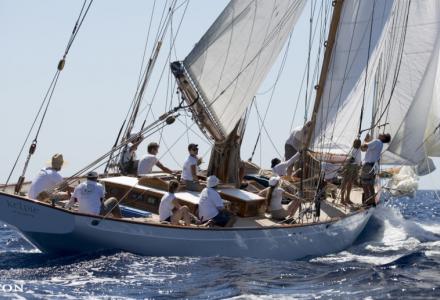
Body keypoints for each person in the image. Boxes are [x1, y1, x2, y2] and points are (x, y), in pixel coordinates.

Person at [360, 133, 391, 206]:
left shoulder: (376, 141)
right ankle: (372, 202)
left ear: (383, 137)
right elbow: (369, 147)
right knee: (370, 185)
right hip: (373, 166)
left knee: (364, 183)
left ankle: (367, 202)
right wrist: (368, 141)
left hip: (368, 166)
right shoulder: (380, 144)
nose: (380, 133)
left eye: (383, 134)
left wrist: (364, 141)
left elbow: (363, 147)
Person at [340, 139, 362, 205]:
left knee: (350, 183)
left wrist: (358, 166)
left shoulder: (359, 149)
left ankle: (347, 198)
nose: (358, 144)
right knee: (345, 182)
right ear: (353, 143)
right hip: (350, 167)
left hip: (355, 167)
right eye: (356, 143)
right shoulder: (352, 150)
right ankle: (342, 199)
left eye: (359, 143)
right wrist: (350, 160)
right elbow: (350, 159)